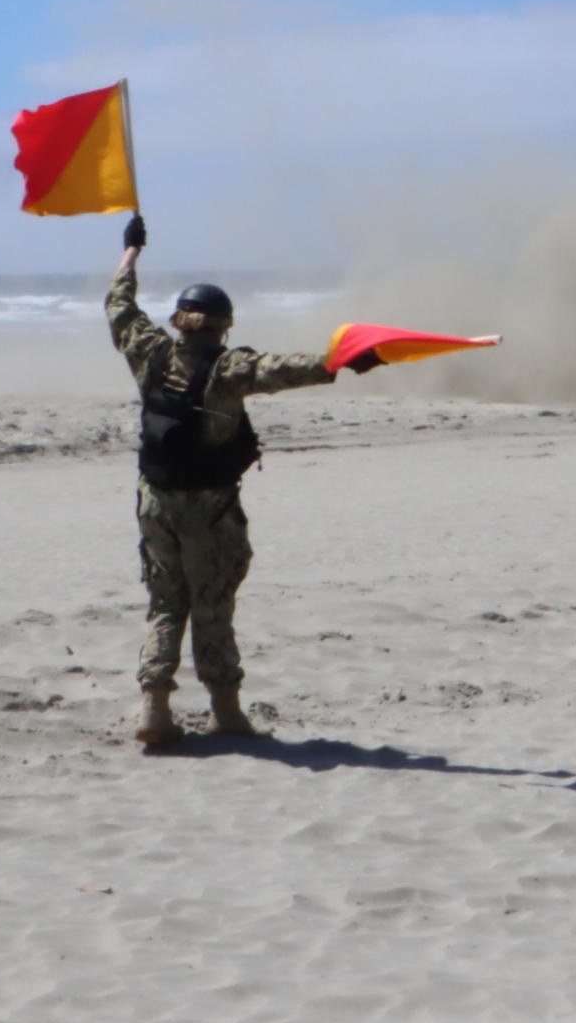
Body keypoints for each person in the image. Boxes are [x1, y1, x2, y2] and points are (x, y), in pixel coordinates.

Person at [108, 214, 376, 747]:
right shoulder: (228, 369)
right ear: (223, 325)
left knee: (165, 604)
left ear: (180, 320)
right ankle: (225, 712)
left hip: (154, 501)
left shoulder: (148, 350)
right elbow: (282, 369)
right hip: (209, 509)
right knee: (213, 604)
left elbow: (119, 304)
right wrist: (338, 362)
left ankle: (154, 711)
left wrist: (131, 252)